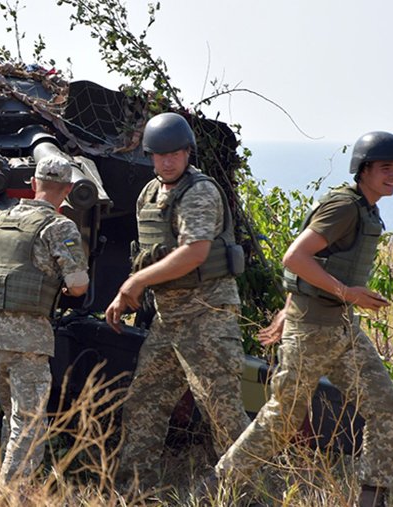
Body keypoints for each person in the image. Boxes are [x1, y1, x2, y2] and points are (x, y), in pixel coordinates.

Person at [212, 132, 393, 507]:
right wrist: (344, 294)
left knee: (385, 406)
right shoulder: (344, 207)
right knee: (283, 419)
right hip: (313, 331)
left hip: (343, 328)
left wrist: (290, 308)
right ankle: (216, 488)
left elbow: (316, 264)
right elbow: (295, 257)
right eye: (386, 168)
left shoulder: (366, 208)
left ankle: (372, 498)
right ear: (363, 169)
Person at [105, 112, 249, 489]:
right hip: (169, 319)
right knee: (144, 403)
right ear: (150, 156)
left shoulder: (199, 191)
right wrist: (134, 286)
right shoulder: (149, 194)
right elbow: (151, 256)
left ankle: (250, 493)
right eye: (160, 155)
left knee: (222, 412)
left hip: (207, 315)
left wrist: (135, 282)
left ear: (188, 153)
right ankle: (136, 490)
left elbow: (194, 253)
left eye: (175, 154)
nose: (167, 162)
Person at [0, 156, 89, 485]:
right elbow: (78, 284)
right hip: (28, 337)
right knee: (31, 424)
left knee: (13, 416)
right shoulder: (59, 226)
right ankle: (11, 495)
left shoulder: (1, 219)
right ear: (67, 190)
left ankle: (3, 484)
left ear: (34, 183)